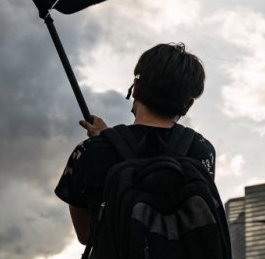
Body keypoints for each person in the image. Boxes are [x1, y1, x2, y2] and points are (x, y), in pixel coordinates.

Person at [54, 42, 217, 246]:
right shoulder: (202, 150)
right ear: (187, 105)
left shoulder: (89, 152)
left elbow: (87, 235)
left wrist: (108, 141)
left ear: (136, 87)